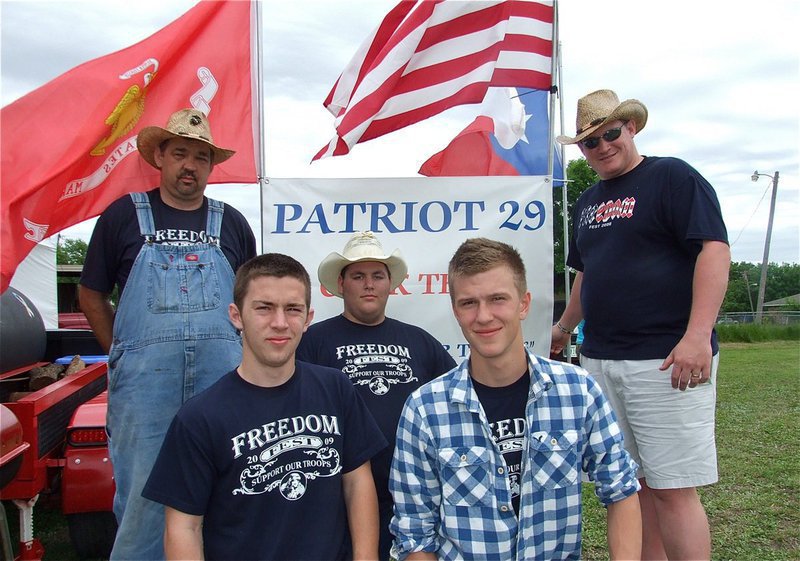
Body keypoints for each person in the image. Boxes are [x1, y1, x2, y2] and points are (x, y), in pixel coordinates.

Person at [551, 89, 730, 560]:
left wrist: (696, 337)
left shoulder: (672, 177)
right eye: (590, 142)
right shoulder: (588, 200)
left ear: (630, 128)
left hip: (666, 360)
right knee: (633, 486)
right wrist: (565, 327)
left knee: (673, 489)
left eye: (611, 133)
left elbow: (713, 250)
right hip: (601, 361)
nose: (603, 146)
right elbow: (587, 274)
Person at [390, 238, 642, 560]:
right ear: (455, 310)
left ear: (523, 304)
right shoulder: (424, 410)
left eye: (498, 299)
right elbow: (415, 534)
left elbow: (621, 490)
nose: (483, 316)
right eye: (469, 303)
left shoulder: (577, 391)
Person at [79, 108, 256, 560]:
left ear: (211, 166)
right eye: (180, 153)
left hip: (223, 382)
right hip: (144, 386)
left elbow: (250, 300)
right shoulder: (123, 216)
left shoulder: (232, 223)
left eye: (201, 157)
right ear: (159, 156)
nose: (189, 165)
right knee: (144, 496)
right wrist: (119, 354)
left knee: (230, 484)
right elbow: (91, 294)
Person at [143, 253, 387, 560]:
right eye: (264, 308)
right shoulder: (199, 418)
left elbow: (357, 482)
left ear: (308, 318)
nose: (280, 323)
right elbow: (182, 528)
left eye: (293, 309)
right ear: (236, 315)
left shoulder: (335, 388)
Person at [297, 231, 456, 559]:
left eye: (377, 276)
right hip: (339, 499)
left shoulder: (420, 341)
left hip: (412, 498)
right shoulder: (312, 342)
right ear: (340, 284)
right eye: (358, 276)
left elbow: (456, 399)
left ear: (390, 284)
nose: (369, 284)